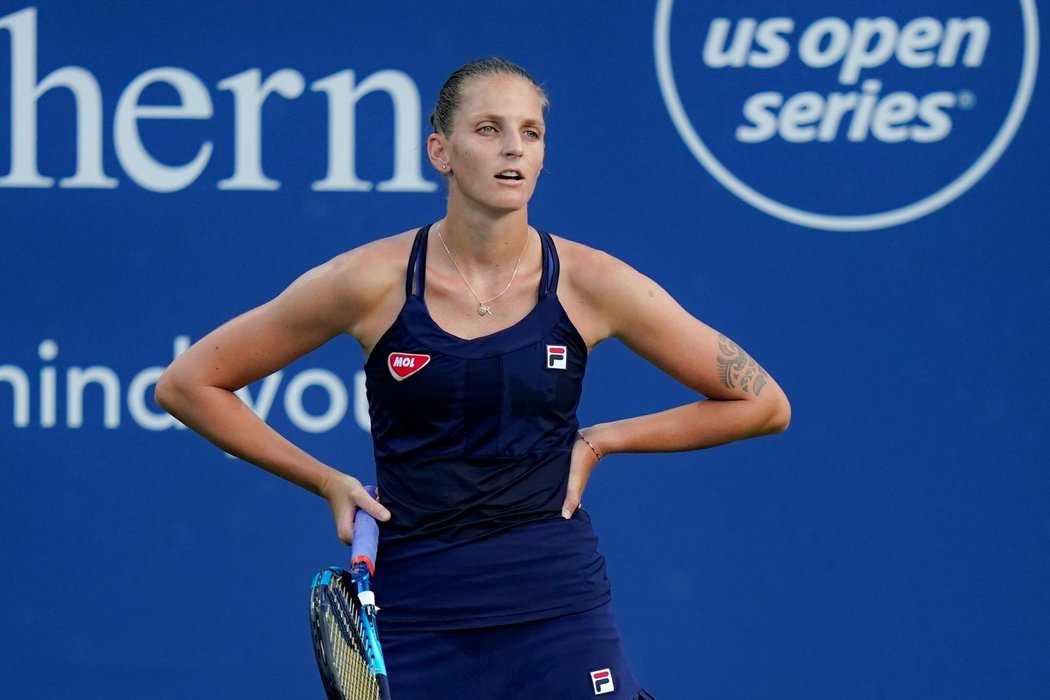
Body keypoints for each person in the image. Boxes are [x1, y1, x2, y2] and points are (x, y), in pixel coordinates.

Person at [156, 56, 790, 699]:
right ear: (441, 150)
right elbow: (188, 385)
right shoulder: (366, 281)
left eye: (531, 132)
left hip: (559, 610)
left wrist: (604, 440)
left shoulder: (593, 282)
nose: (513, 147)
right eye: (488, 129)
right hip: (417, 615)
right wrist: (326, 481)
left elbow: (762, 403)